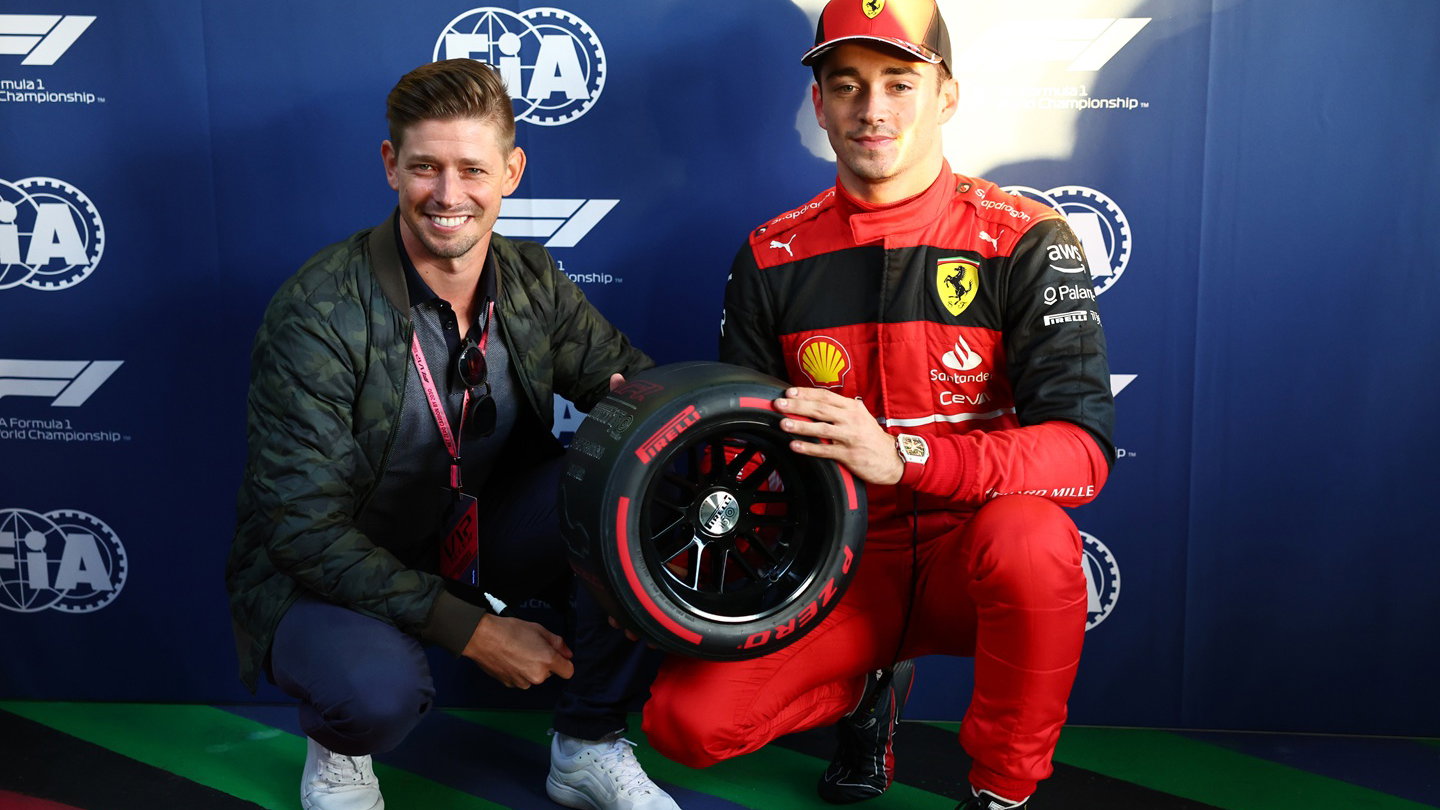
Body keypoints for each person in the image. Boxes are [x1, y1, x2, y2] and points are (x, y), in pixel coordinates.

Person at [641, 2, 1115, 809]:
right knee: (683, 727)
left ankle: (1002, 788)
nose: (873, 109)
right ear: (820, 104)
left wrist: (906, 457)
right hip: (842, 569)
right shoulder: (771, 255)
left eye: (901, 81)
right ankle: (866, 692)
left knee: (1035, 537)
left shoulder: (1024, 237)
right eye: (847, 85)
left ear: (948, 96)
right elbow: (745, 459)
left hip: (976, 561)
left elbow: (1081, 454)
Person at [226, 59, 681, 810]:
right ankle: (340, 753)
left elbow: (637, 397)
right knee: (375, 694)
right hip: (328, 565)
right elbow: (300, 530)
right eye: (425, 167)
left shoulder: (533, 281)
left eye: (472, 168)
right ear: (388, 165)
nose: (448, 195)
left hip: (474, 533)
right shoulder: (318, 309)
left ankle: (587, 743)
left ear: (511, 171)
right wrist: (472, 632)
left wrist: (723, 430)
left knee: (634, 495)